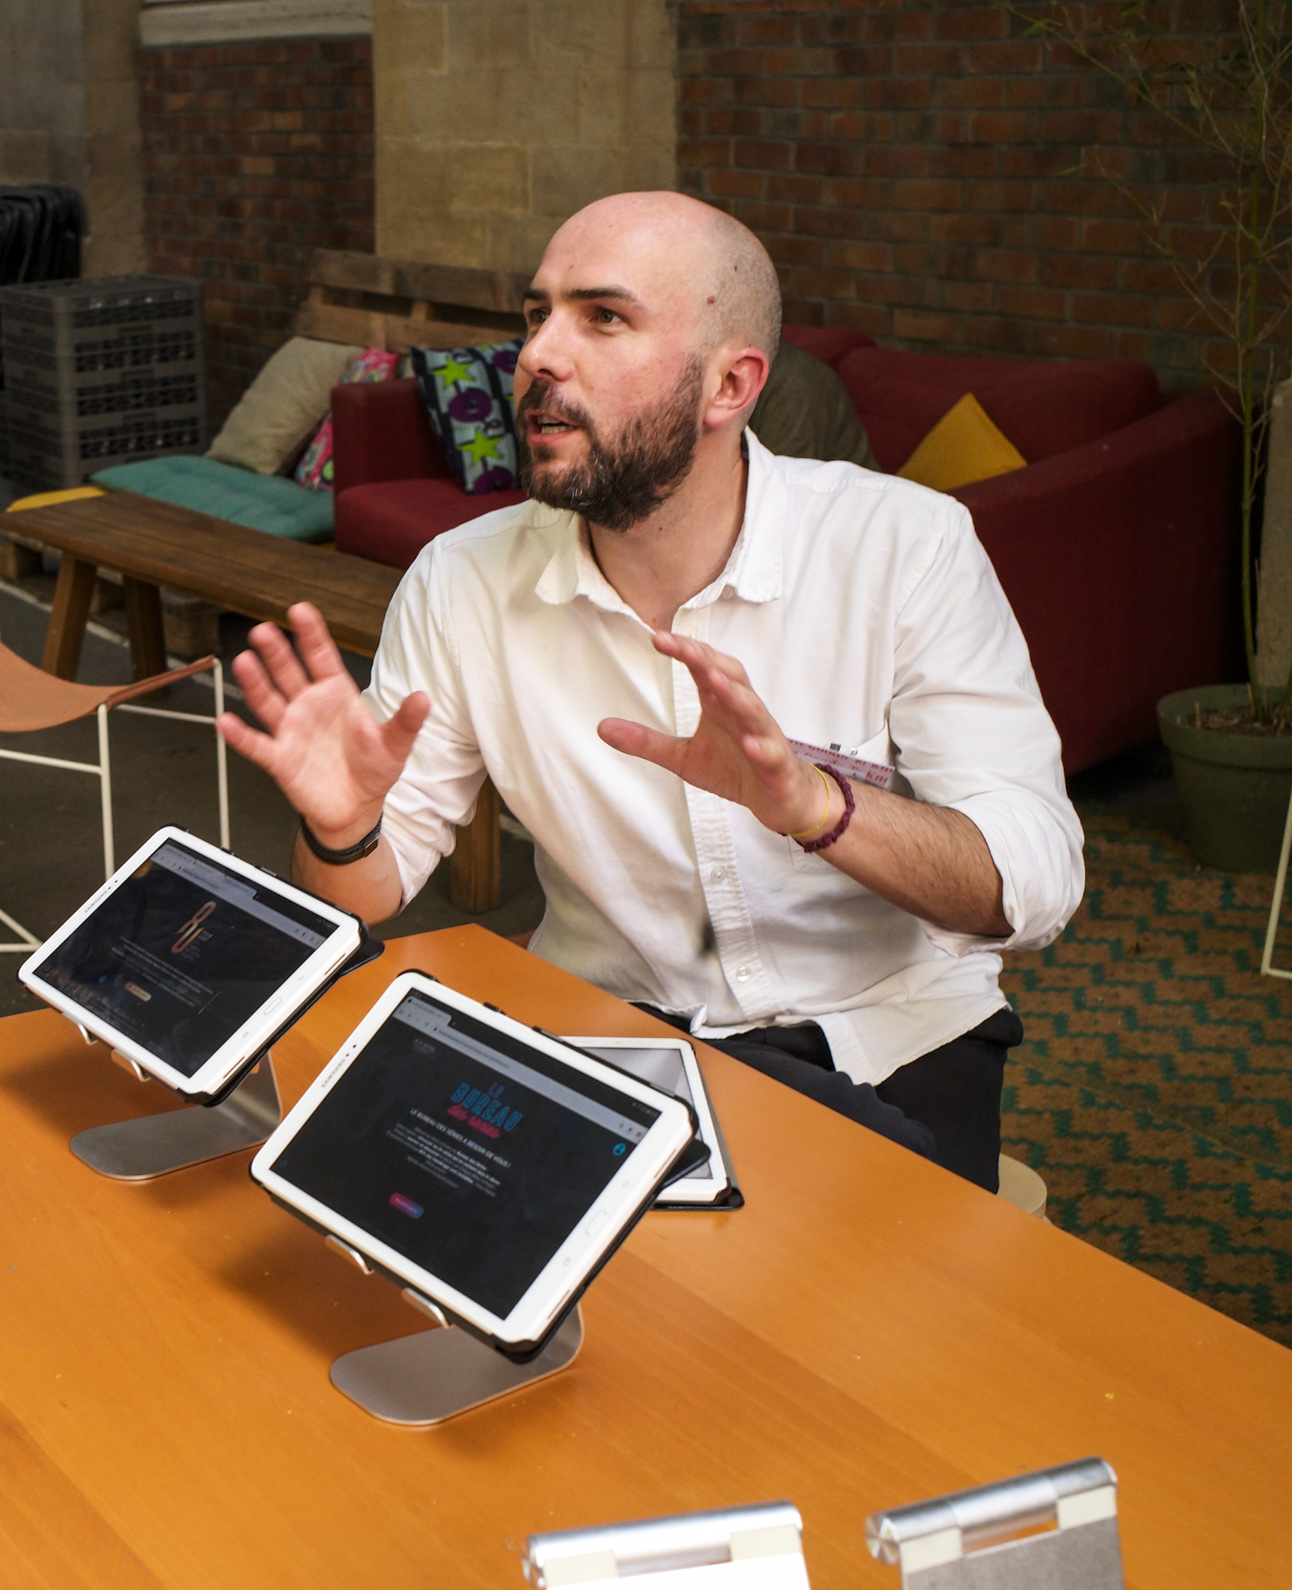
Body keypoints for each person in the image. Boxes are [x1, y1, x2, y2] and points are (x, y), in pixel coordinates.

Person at [220, 192, 1083, 1192]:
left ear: (729, 385)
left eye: (604, 317)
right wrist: (343, 827)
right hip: (613, 1046)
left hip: (889, 1040)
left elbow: (1034, 884)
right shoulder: (461, 582)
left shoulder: (904, 546)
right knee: (370, 1200)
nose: (539, 354)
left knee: (828, 1316)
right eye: (536, 314)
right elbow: (365, 892)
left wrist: (816, 808)